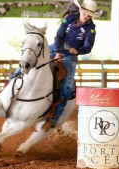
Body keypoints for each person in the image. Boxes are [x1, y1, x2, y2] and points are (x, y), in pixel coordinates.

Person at [6, 0, 103, 131]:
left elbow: (87, 47)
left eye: (90, 15)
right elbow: (58, 36)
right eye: (85, 13)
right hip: (55, 48)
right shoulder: (69, 19)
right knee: (28, 59)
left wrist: (78, 51)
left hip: (70, 56)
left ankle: (53, 118)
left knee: (68, 88)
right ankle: (9, 86)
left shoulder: (91, 29)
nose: (87, 16)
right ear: (80, 10)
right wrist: (56, 52)